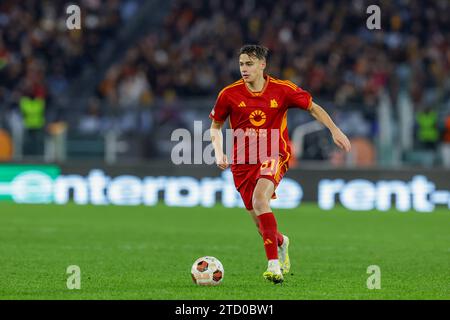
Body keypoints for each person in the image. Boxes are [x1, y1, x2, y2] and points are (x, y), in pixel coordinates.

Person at [209, 45, 351, 284]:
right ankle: (282, 242)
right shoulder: (228, 94)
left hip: (275, 153)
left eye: (249, 64)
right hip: (243, 162)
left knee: (260, 200)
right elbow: (215, 127)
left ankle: (273, 266)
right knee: (260, 223)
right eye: (242, 64)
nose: (244, 69)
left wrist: (334, 130)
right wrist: (219, 152)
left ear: (262, 65)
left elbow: (313, 108)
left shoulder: (282, 89)